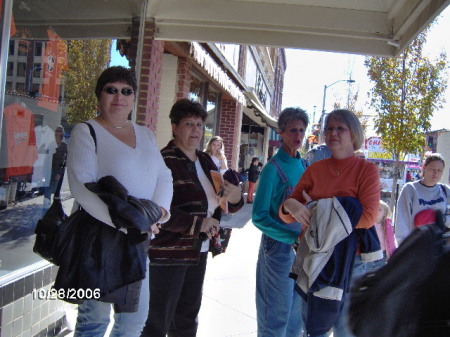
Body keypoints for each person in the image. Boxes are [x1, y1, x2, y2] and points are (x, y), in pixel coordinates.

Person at [67, 66, 173, 337]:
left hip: (138, 239)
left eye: (127, 91)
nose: (119, 97)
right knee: (94, 322)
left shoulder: (146, 134)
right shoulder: (86, 131)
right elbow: (82, 188)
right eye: (110, 90)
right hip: (100, 240)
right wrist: (132, 224)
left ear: (134, 97)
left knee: (133, 323)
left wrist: (159, 213)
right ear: (99, 95)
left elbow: (164, 176)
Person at [142, 98, 244, 337]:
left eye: (199, 124)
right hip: (169, 252)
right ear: (175, 127)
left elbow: (222, 201)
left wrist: (235, 196)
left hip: (198, 249)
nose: (196, 130)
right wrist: (198, 223)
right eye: (189, 124)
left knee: (187, 319)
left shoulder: (206, 160)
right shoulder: (163, 160)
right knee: (158, 321)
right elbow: (157, 209)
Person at [280, 109, 381, 337]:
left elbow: (367, 218)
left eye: (340, 128)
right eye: (329, 128)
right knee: (314, 327)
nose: (333, 133)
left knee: (345, 330)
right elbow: (287, 214)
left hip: (351, 262)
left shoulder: (366, 171)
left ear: (353, 134)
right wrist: (291, 204)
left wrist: (316, 208)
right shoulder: (315, 169)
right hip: (315, 259)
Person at [252, 107, 309, 337]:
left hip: (302, 248)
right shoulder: (272, 170)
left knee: (296, 319)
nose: (298, 135)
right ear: (281, 132)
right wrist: (291, 237)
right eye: (293, 130)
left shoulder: (304, 166)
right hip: (278, 250)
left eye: (302, 131)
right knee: (275, 317)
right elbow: (259, 216)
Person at [395, 153, 450, 244]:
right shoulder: (410, 189)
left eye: (439, 170)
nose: (435, 173)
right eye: (432, 169)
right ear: (424, 168)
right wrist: (404, 248)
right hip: (416, 246)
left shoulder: (446, 191)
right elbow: (402, 222)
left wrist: (438, 219)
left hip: (439, 246)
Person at [366, 200, 396, 271]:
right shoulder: (369, 223)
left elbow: (391, 240)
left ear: (384, 213)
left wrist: (392, 253)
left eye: (379, 209)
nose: (376, 211)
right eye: (375, 208)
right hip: (370, 253)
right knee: (366, 272)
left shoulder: (387, 226)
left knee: (378, 273)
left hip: (382, 254)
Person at [43, 125, 67, 207]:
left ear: (62, 133)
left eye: (60, 130)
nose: (58, 132)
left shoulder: (64, 145)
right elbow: (47, 157)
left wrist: (59, 173)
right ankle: (46, 207)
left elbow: (64, 160)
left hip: (58, 170)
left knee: (56, 191)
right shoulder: (51, 144)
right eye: (56, 130)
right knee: (48, 190)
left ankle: (55, 209)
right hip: (49, 169)